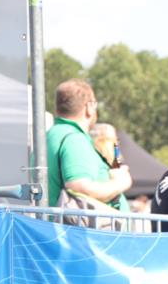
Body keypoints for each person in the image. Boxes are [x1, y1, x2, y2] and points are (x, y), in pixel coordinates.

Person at [46, 79, 131, 210]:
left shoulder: (51, 135)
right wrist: (121, 182)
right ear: (89, 108)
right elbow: (79, 187)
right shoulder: (74, 139)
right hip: (78, 229)